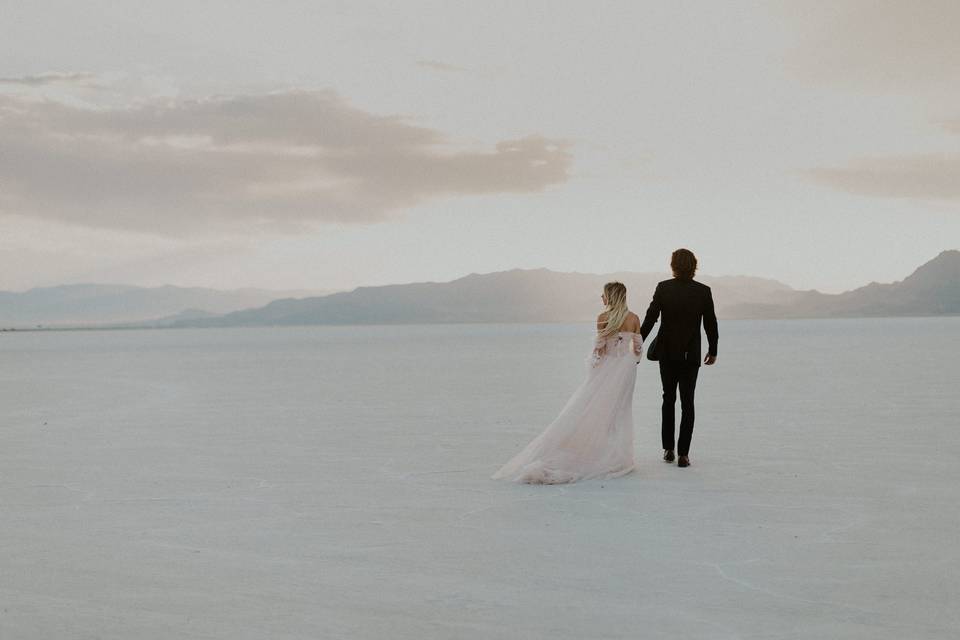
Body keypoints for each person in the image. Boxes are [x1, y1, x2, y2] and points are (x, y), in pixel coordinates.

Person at [492, 282, 643, 484]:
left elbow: (599, 350)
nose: (601, 297)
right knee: (618, 411)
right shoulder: (633, 318)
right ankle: (615, 454)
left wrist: (593, 371)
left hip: (606, 369)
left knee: (594, 408)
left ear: (611, 296)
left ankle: (596, 450)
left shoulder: (603, 318)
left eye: (604, 294)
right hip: (624, 371)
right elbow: (638, 348)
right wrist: (629, 362)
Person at [640, 248, 718, 468]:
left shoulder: (664, 288)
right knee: (688, 402)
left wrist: (638, 343)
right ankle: (684, 454)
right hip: (691, 354)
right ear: (694, 265)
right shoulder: (703, 291)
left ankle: (668, 449)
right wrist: (713, 350)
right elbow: (710, 323)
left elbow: (650, 318)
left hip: (666, 352)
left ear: (673, 265)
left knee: (668, 399)